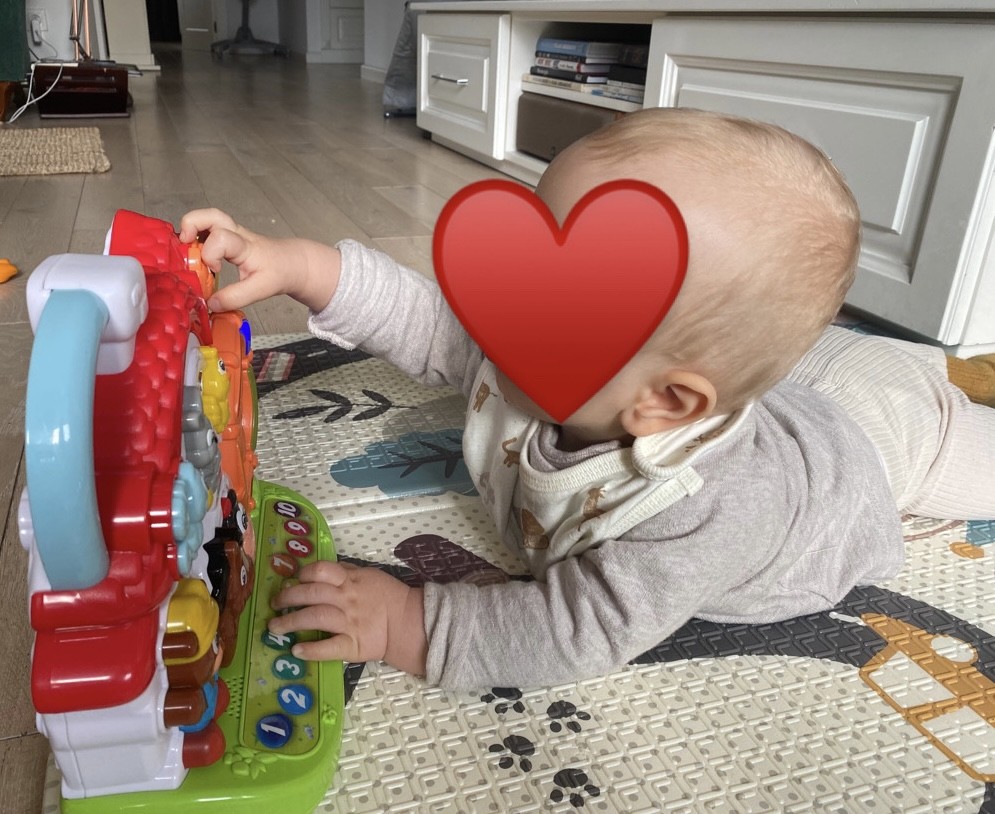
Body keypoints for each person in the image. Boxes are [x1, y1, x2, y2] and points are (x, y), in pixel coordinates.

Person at [179, 108, 995, 690]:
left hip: (870, 448)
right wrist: (302, 266)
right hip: (790, 391)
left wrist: (403, 623)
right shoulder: (536, 351)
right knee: (813, 361)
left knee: (941, 420)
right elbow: (425, 320)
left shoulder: (700, 507)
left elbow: (577, 628)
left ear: (663, 403)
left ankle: (944, 374)